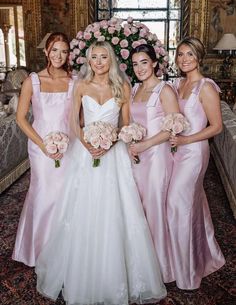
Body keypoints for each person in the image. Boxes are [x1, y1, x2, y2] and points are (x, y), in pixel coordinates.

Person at [35, 41, 167, 305]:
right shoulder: (81, 86)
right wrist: (87, 144)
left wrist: (110, 143)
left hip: (113, 156)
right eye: (93, 57)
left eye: (103, 57)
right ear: (88, 60)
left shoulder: (122, 87)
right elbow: (74, 120)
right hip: (84, 155)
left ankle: (113, 277)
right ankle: (80, 273)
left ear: (111, 60)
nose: (97, 62)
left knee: (114, 212)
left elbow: (126, 124)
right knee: (82, 211)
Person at [167, 36, 225, 289]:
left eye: (189, 54)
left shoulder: (206, 87)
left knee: (177, 204)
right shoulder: (177, 84)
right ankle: (200, 255)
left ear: (199, 57)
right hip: (175, 152)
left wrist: (186, 139)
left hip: (193, 153)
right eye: (180, 54)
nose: (184, 59)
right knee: (191, 205)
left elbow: (217, 127)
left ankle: (188, 272)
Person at [12, 32, 74, 267]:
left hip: (68, 146)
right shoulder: (32, 81)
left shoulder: (73, 80)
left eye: (64, 51)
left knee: (65, 195)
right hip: (40, 147)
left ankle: (63, 250)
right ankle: (38, 250)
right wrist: (43, 145)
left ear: (69, 54)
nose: (59, 55)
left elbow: (77, 118)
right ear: (46, 51)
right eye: (55, 50)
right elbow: (20, 118)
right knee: (44, 193)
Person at [129, 44, 180, 283]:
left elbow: (172, 126)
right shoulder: (135, 89)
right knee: (138, 210)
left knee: (155, 209)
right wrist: (130, 140)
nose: (139, 68)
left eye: (144, 62)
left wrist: (145, 145)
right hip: (137, 158)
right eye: (135, 63)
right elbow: (131, 122)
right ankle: (141, 264)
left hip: (157, 158)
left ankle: (160, 269)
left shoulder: (165, 90)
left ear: (154, 64)